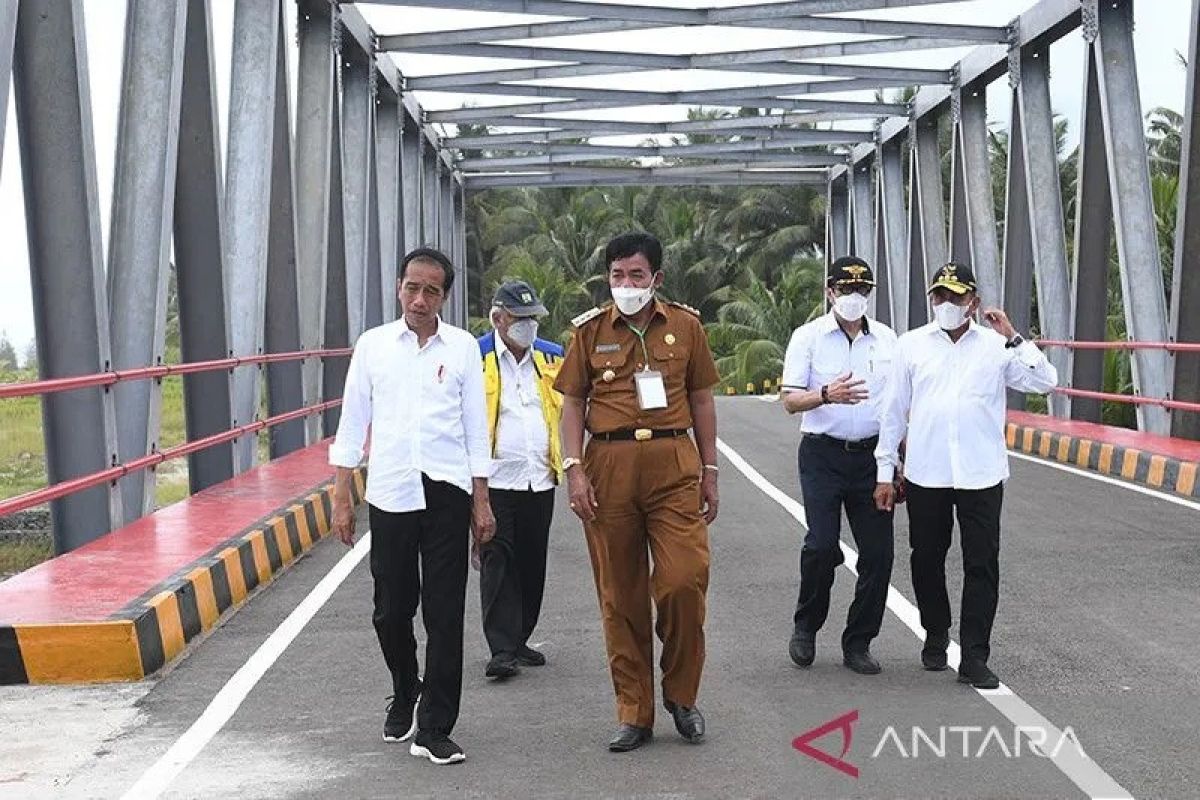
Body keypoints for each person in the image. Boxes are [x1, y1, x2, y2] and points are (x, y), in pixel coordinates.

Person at [554, 231, 721, 753]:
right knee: (620, 596)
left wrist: (710, 469)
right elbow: (572, 404)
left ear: (657, 279)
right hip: (608, 468)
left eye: (636, 276)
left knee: (683, 582)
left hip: (674, 466)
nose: (626, 285)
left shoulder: (687, 328)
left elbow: (701, 400)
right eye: (617, 276)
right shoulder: (589, 332)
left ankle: (681, 695)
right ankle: (634, 712)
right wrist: (574, 468)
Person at [329, 247, 496, 766]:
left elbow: (475, 428)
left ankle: (435, 727)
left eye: (431, 290)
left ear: (445, 295)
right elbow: (353, 421)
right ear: (399, 287)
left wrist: (482, 502)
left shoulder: (464, 347)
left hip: (448, 492)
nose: (420, 300)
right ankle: (406, 687)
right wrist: (341, 494)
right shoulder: (374, 346)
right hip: (392, 492)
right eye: (411, 288)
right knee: (391, 610)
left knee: (445, 614)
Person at [873, 262, 1058, 690]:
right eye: (940, 296)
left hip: (981, 473)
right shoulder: (911, 346)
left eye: (956, 297)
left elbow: (1046, 383)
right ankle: (936, 632)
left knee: (981, 566)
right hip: (927, 472)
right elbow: (893, 413)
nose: (946, 304)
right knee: (926, 559)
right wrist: (886, 471)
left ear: (973, 302)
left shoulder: (996, 348)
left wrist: (1014, 336)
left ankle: (975, 656)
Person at [780, 256, 898, 675]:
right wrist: (826, 395)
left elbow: (898, 407)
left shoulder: (887, 341)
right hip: (822, 455)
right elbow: (791, 400)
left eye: (862, 291)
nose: (854, 298)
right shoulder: (808, 337)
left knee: (879, 553)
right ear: (830, 292)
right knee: (822, 545)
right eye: (846, 290)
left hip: (871, 458)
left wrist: (894, 461)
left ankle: (859, 641)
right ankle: (806, 627)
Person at [476, 280, 564, 679]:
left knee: (532, 561)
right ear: (499, 317)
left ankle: (520, 637)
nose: (529, 326)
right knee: (498, 559)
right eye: (520, 318)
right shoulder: (475, 357)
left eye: (533, 319)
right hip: (494, 479)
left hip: (539, 478)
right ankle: (501, 648)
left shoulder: (551, 359)